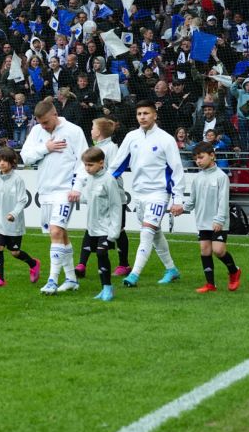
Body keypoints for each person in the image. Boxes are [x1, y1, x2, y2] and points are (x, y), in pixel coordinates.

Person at [80, 101, 185, 288]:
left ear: (155, 115)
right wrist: (102, 184)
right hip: (139, 194)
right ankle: (171, 269)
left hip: (159, 193)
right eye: (139, 113)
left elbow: (176, 170)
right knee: (155, 233)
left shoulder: (166, 139)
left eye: (146, 113)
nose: (142, 117)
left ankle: (134, 275)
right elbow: (116, 165)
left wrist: (178, 199)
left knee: (146, 233)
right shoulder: (131, 137)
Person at [19, 97, 89, 295]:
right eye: (40, 123)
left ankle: (52, 280)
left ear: (55, 114)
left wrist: (77, 187)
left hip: (65, 191)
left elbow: (83, 161)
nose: (44, 126)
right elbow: (25, 157)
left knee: (56, 232)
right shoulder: (37, 131)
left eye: (46, 122)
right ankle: (71, 280)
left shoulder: (74, 131)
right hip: (46, 191)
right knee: (61, 235)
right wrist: (45, 148)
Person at [75, 117, 130, 278]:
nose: (91, 131)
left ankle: (123, 264)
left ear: (98, 132)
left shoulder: (112, 148)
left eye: (92, 128)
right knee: (91, 227)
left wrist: (99, 186)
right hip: (97, 196)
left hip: (113, 196)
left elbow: (113, 171)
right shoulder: (94, 148)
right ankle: (81, 264)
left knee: (118, 229)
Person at [184, 142, 242, 293]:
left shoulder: (221, 177)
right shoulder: (197, 178)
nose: (198, 161)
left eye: (201, 157)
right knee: (205, 250)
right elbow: (192, 200)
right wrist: (181, 208)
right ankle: (210, 284)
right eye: (196, 158)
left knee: (219, 250)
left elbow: (223, 201)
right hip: (203, 221)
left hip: (218, 221)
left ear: (212, 156)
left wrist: (219, 220)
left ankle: (234, 271)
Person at [0, 147, 40, 288]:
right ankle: (0, 279)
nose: (2, 163)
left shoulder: (18, 180)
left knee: (15, 252)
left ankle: (33, 264)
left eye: (5, 160)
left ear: (13, 162)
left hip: (14, 223)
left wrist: (13, 214)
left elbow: (22, 200)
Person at [78, 146, 125, 302]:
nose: (87, 168)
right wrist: (75, 196)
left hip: (106, 227)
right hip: (93, 228)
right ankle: (104, 288)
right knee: (99, 256)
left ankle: (108, 288)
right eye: (85, 165)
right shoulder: (90, 179)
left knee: (101, 253)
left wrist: (114, 231)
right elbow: (86, 198)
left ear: (101, 163)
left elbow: (116, 206)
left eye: (90, 165)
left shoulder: (109, 180)